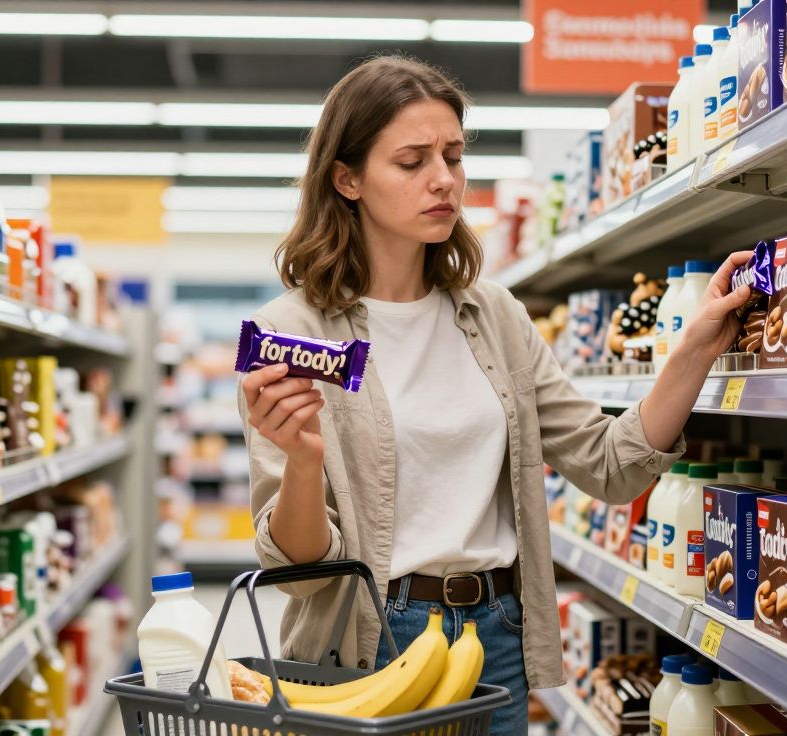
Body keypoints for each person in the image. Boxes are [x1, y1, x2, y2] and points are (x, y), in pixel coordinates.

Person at [238, 54, 752, 735]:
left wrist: (696, 348)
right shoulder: (288, 333)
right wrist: (302, 460)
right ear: (348, 178)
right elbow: (304, 577)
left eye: (453, 156)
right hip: (366, 641)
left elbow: (610, 466)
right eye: (412, 161)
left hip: (496, 636)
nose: (443, 180)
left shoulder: (496, 316)